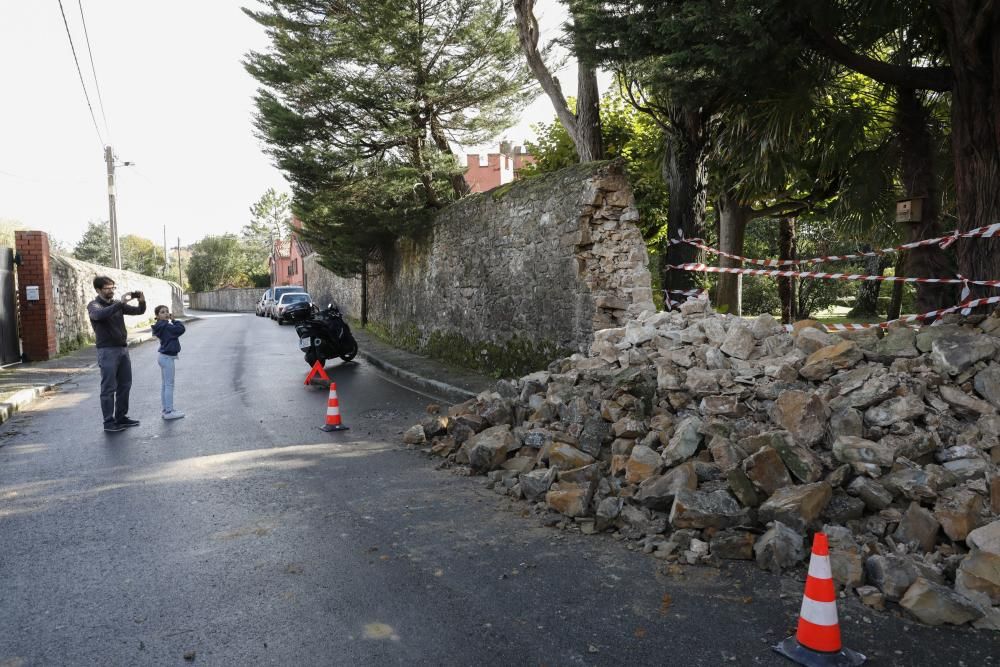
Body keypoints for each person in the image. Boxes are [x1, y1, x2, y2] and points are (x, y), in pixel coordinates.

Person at [87, 277, 146, 432]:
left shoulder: (116, 305)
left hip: (122, 349)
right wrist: (121, 303)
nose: (111, 290)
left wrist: (141, 300)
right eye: (107, 288)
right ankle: (108, 422)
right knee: (108, 388)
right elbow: (99, 315)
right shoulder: (94, 305)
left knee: (125, 385)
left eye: (113, 287)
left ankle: (121, 417)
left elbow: (139, 311)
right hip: (107, 351)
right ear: (98, 290)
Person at [151, 305, 186, 420]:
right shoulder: (166, 326)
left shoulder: (161, 326)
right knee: (169, 385)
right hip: (167, 358)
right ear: (157, 316)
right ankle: (169, 412)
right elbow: (181, 329)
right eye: (162, 312)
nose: (166, 314)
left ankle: (166, 409)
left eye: (167, 312)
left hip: (163, 357)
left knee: (165, 385)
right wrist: (174, 320)